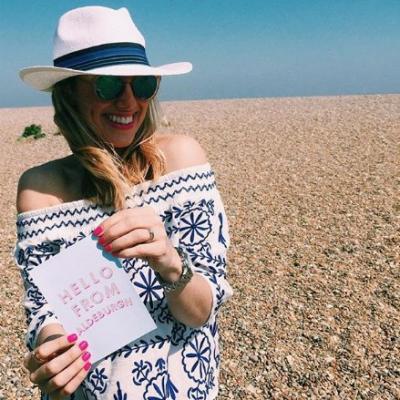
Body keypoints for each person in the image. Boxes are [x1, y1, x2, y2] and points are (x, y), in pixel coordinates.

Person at [15, 6, 232, 400]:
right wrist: (54, 351)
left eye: (143, 85)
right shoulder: (41, 189)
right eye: (109, 86)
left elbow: (201, 311)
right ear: (70, 93)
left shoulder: (180, 160)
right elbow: (44, 309)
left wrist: (169, 261)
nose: (129, 101)